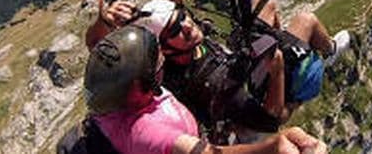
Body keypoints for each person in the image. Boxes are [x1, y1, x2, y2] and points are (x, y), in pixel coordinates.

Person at [85, 0, 350, 130]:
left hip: (237, 61)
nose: (187, 25)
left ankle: (278, 42)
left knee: (263, 4)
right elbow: (272, 119)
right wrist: (278, 66)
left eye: (181, 16)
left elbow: (96, 45)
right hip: (261, 96)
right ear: (163, 50)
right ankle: (325, 55)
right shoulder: (211, 84)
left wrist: (102, 22)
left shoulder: (185, 47)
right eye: (175, 29)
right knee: (307, 21)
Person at [82, 25, 327, 154]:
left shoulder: (117, 94)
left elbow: (98, 45)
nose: (161, 59)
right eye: (155, 61)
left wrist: (105, 19)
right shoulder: (143, 130)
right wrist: (272, 148)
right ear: (141, 85)